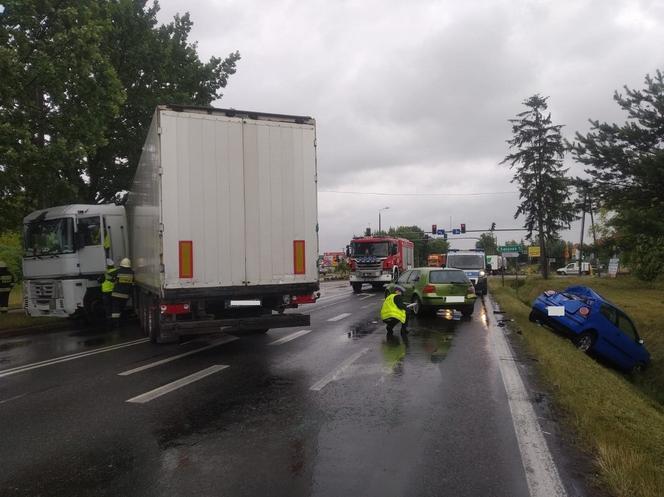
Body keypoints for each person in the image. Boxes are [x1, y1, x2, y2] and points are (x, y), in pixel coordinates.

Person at [111, 258, 134, 328]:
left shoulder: (118, 271)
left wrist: (113, 279)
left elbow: (109, 275)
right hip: (125, 295)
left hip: (116, 294)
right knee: (122, 308)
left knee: (115, 309)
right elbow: (132, 283)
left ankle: (116, 323)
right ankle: (122, 321)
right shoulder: (131, 273)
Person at [99, 258, 118, 326]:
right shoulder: (116, 271)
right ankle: (116, 321)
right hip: (114, 291)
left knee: (107, 307)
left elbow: (99, 281)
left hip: (106, 293)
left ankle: (109, 322)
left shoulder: (104, 272)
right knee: (115, 306)